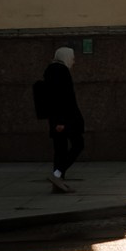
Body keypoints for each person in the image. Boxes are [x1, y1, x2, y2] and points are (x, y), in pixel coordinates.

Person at [43, 47, 84, 193]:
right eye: (72, 58)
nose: (73, 61)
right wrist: (60, 121)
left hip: (56, 118)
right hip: (65, 119)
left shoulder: (50, 70)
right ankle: (57, 175)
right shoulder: (61, 71)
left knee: (60, 150)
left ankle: (57, 184)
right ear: (66, 57)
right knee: (78, 144)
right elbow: (61, 97)